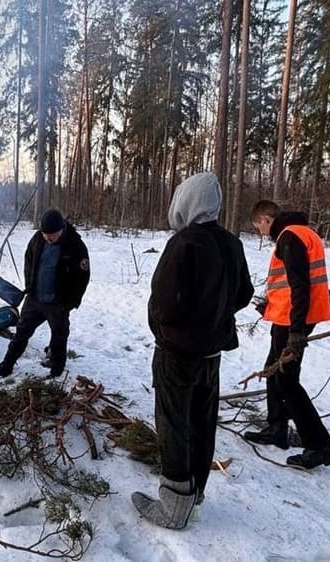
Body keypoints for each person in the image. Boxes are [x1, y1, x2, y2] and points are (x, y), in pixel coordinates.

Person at [131, 172, 254, 530]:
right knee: (202, 424)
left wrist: (162, 325)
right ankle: (195, 493)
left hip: (177, 352)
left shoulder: (184, 244)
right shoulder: (232, 244)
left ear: (186, 204)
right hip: (211, 354)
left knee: (173, 423)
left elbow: (165, 303)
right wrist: (215, 313)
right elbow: (243, 294)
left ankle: (174, 504)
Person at [243, 200, 330, 470]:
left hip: (295, 320)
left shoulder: (290, 237)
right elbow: (291, 283)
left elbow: (300, 285)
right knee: (273, 370)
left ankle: (318, 446)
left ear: (265, 219)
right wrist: (270, 306)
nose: (261, 233)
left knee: (287, 381)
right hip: (289, 316)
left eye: (258, 226)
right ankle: (277, 428)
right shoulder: (302, 233)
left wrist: (296, 331)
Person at [0, 209, 90, 378]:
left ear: (61, 229)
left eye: (52, 235)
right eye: (45, 234)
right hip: (35, 298)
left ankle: (56, 369)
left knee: (59, 335)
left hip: (58, 302)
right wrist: (29, 285)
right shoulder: (37, 239)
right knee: (21, 332)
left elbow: (82, 278)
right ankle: (7, 365)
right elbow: (29, 260)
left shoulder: (75, 246)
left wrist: (69, 303)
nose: (48, 238)